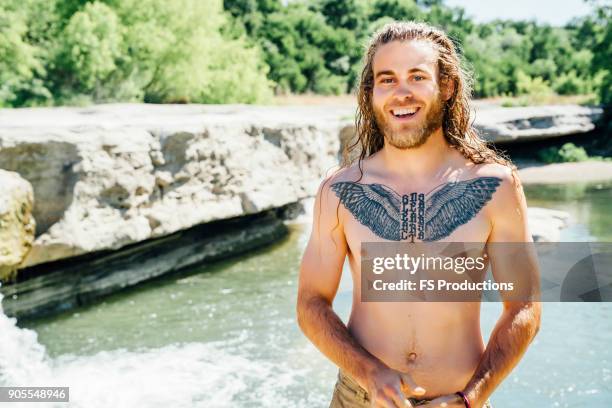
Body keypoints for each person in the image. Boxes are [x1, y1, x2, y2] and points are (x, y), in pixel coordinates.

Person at [296, 21, 541, 408]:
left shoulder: (496, 185)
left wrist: (471, 398)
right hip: (360, 398)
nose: (401, 92)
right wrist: (370, 373)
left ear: (446, 87)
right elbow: (311, 303)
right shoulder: (340, 190)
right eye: (387, 79)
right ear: (371, 93)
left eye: (417, 76)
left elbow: (524, 308)